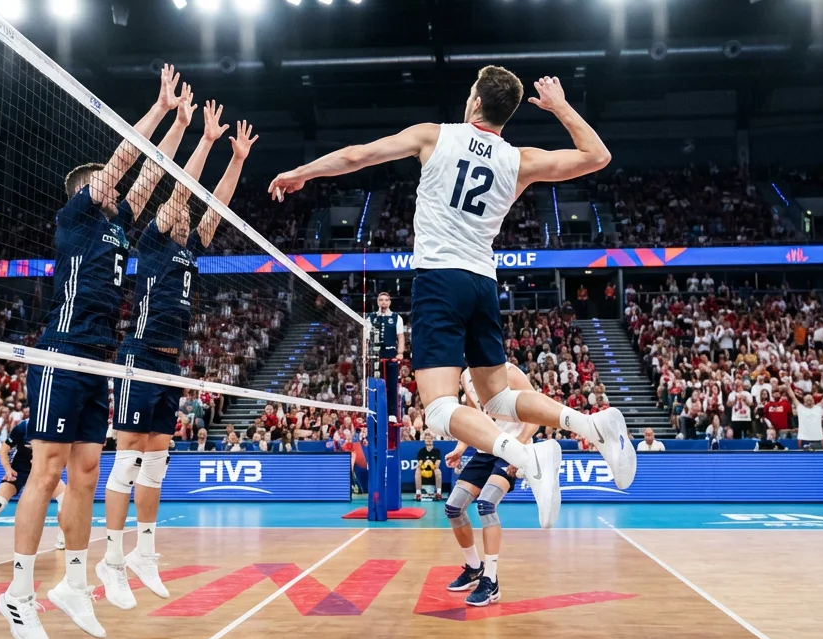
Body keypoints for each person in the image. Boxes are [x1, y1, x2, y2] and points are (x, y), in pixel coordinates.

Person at [269, 68, 633, 528]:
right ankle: (591, 426)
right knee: (498, 397)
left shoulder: (433, 136)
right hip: (482, 282)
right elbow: (597, 156)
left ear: (476, 102)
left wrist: (302, 173)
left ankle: (529, 457)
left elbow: (359, 156)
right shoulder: (519, 159)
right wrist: (559, 105)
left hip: (440, 281)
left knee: (440, 410)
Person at [0, 65, 183, 639]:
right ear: (87, 192)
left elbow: (154, 176)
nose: (117, 193)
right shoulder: (76, 220)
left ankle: (75, 584)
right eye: (105, 186)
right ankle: (19, 591)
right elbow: (128, 163)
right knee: (48, 469)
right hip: (61, 352)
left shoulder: (118, 228)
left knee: (85, 473)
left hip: (98, 359)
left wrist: (179, 126)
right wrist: (156, 109)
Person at [100, 102, 255, 611]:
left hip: (171, 362)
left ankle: (144, 553)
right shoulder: (155, 241)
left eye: (187, 214)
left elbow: (218, 206)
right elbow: (184, 191)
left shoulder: (194, 245)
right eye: (179, 211)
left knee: (158, 460)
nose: (185, 215)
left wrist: (236, 159)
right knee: (126, 460)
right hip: (139, 355)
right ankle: (112, 557)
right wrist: (204, 142)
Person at [443, 365, 538, 607]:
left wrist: (519, 445)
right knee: (453, 507)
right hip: (487, 448)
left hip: (513, 447)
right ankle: (475, 568)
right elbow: (475, 420)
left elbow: (536, 413)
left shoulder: (509, 372)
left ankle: (491, 580)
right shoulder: (466, 376)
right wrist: (460, 448)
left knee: (486, 504)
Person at [0, 417, 67, 560]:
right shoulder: (22, 427)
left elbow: (63, 455)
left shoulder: (56, 428)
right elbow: (4, 450)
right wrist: (8, 469)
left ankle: (61, 537)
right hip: (18, 471)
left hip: (42, 470)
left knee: (64, 498)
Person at [367, 292, 408, 423]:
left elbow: (400, 337)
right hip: (376, 356)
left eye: (386, 300)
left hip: (391, 356)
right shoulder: (371, 318)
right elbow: (366, 338)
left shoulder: (396, 318)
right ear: (378, 302)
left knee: (392, 386)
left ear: (389, 302)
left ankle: (392, 413)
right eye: (381, 300)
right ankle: (375, 412)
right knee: (375, 385)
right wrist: (366, 353)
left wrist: (400, 353)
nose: (383, 302)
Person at [785, 379, 823, 451]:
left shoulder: (818, 408)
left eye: (810, 399)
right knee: (805, 459)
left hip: (817, 438)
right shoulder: (800, 408)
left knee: (819, 459)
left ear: (813, 400)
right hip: (804, 438)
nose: (809, 400)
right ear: (804, 401)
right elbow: (793, 396)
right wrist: (788, 386)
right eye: (807, 399)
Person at [415, 431, 444, 500]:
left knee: (438, 471)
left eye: (430, 438)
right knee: (417, 470)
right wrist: (424, 464)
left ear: (433, 440)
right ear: (424, 440)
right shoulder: (421, 451)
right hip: (424, 469)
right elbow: (419, 464)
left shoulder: (437, 451)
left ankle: (438, 493)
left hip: (433, 468)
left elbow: (437, 464)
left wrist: (431, 463)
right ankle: (418, 493)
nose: (428, 440)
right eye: (427, 439)